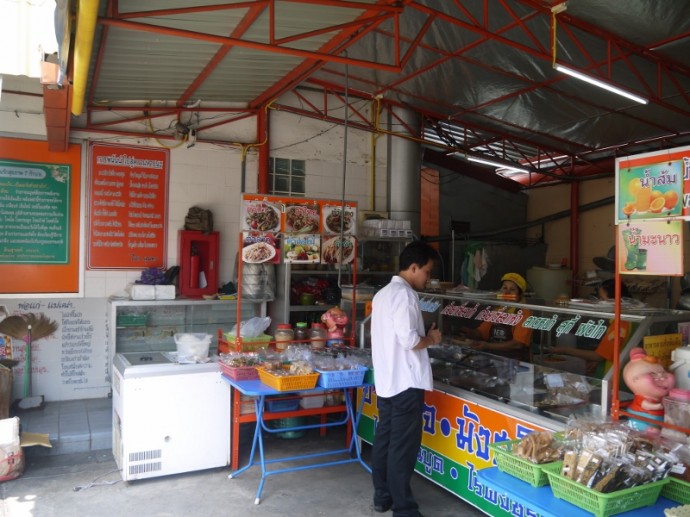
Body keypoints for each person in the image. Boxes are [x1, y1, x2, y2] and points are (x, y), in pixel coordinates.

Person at [370, 240, 442, 517]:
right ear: (413, 267)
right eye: (427, 271)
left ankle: (382, 496)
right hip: (406, 383)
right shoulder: (406, 295)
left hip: (388, 381)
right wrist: (432, 339)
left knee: (385, 440)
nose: (428, 277)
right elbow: (410, 341)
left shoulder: (383, 294)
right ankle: (404, 509)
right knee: (402, 449)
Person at [550, 278, 632, 377]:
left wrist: (564, 350)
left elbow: (599, 356)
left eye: (602, 299)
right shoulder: (622, 319)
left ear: (615, 299)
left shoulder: (621, 323)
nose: (600, 303)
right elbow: (608, 353)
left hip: (614, 375)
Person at [458, 272, 533, 361]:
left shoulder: (524, 313)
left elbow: (517, 344)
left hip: (515, 361)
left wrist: (488, 345)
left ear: (519, 295)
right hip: (494, 359)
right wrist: (470, 333)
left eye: (512, 289)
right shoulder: (496, 311)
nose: (507, 292)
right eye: (504, 288)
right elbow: (482, 332)